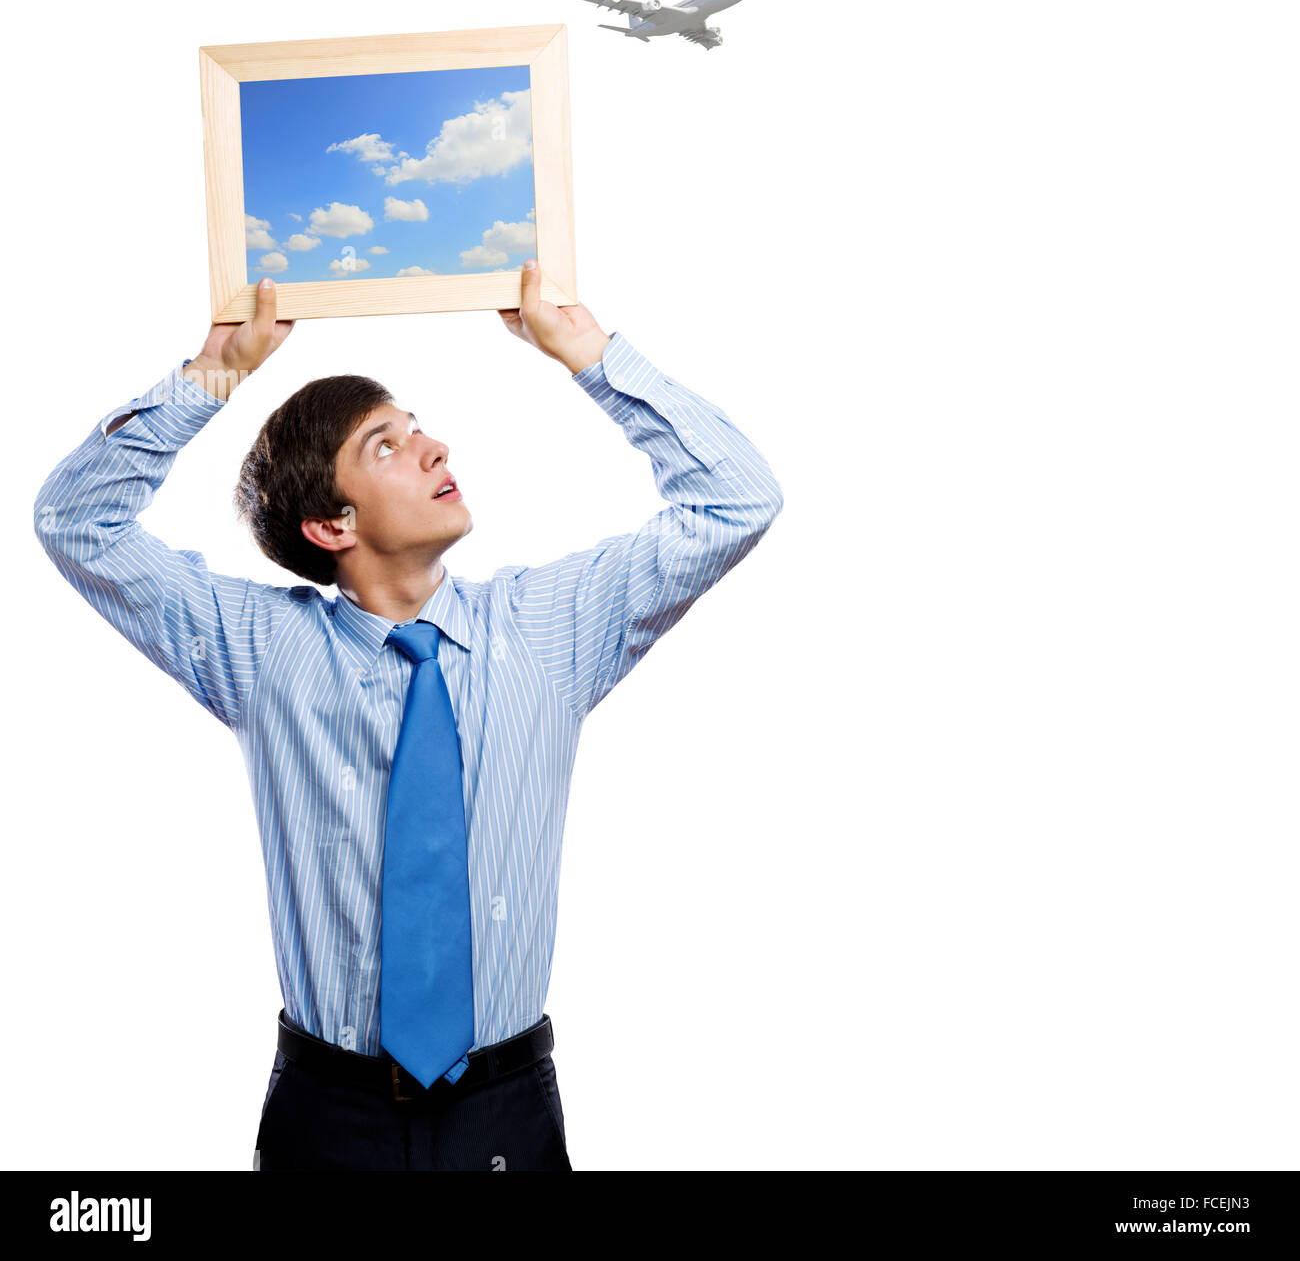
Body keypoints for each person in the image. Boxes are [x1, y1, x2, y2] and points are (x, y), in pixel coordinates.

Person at [32, 260, 784, 1171]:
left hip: (507, 1112)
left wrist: (589, 355)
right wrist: (214, 376)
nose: (437, 451)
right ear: (330, 525)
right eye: (386, 446)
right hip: (327, 1113)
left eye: (422, 432)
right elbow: (78, 522)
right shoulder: (260, 649)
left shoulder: (548, 629)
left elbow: (738, 500)